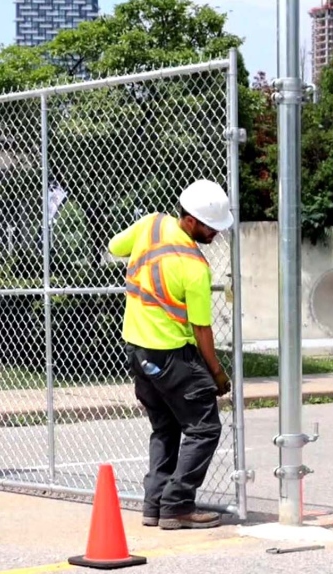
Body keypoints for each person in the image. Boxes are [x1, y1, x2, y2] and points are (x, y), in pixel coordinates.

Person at [107, 179, 235, 531]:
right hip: (172, 357)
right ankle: (177, 505)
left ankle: (155, 505)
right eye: (211, 227)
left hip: (137, 352)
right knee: (204, 427)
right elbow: (201, 329)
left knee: (165, 428)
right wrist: (216, 373)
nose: (215, 234)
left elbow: (116, 246)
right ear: (191, 221)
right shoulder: (194, 266)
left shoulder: (151, 224)